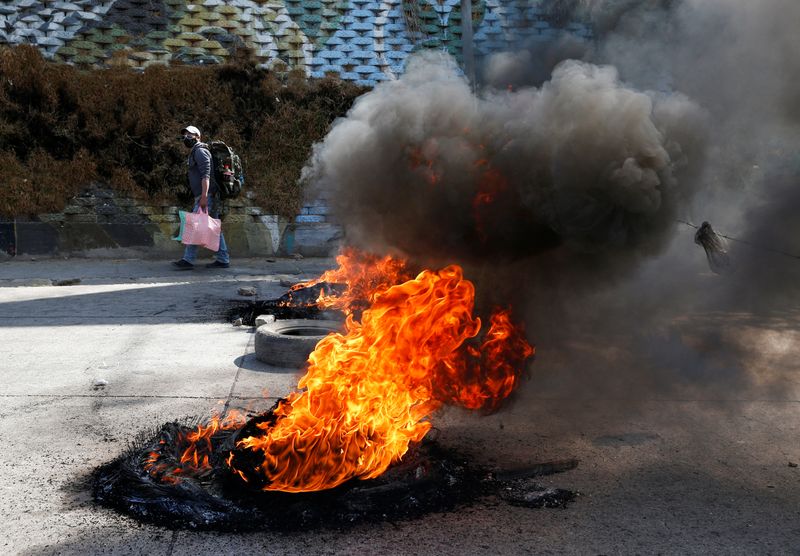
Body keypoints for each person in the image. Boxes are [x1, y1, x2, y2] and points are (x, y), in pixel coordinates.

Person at [172, 125, 231, 270]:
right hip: (206, 195)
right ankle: (223, 259)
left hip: (207, 196)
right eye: (185, 135)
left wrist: (204, 196)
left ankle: (188, 260)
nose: (187, 137)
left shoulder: (200, 151)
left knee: (195, 226)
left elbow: (206, 175)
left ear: (198, 136)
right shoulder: (196, 151)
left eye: (190, 135)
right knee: (214, 228)